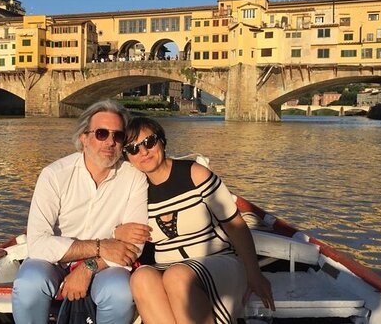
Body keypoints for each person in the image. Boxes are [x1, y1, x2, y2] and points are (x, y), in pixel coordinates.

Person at [117, 116, 275, 324]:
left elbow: (235, 225)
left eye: (149, 142)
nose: (144, 152)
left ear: (161, 141)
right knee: (141, 278)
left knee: (177, 276)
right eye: (133, 149)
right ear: (128, 157)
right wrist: (117, 232)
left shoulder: (194, 174)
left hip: (217, 262)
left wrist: (254, 274)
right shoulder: (136, 191)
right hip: (167, 266)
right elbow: (113, 224)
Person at [12, 100, 149, 324]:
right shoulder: (54, 175)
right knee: (29, 284)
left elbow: (135, 245)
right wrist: (100, 245)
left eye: (118, 135)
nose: (110, 142)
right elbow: (37, 243)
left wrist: (88, 266)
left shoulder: (134, 178)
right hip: (55, 261)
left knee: (120, 293)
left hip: (105, 264)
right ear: (84, 138)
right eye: (102, 134)